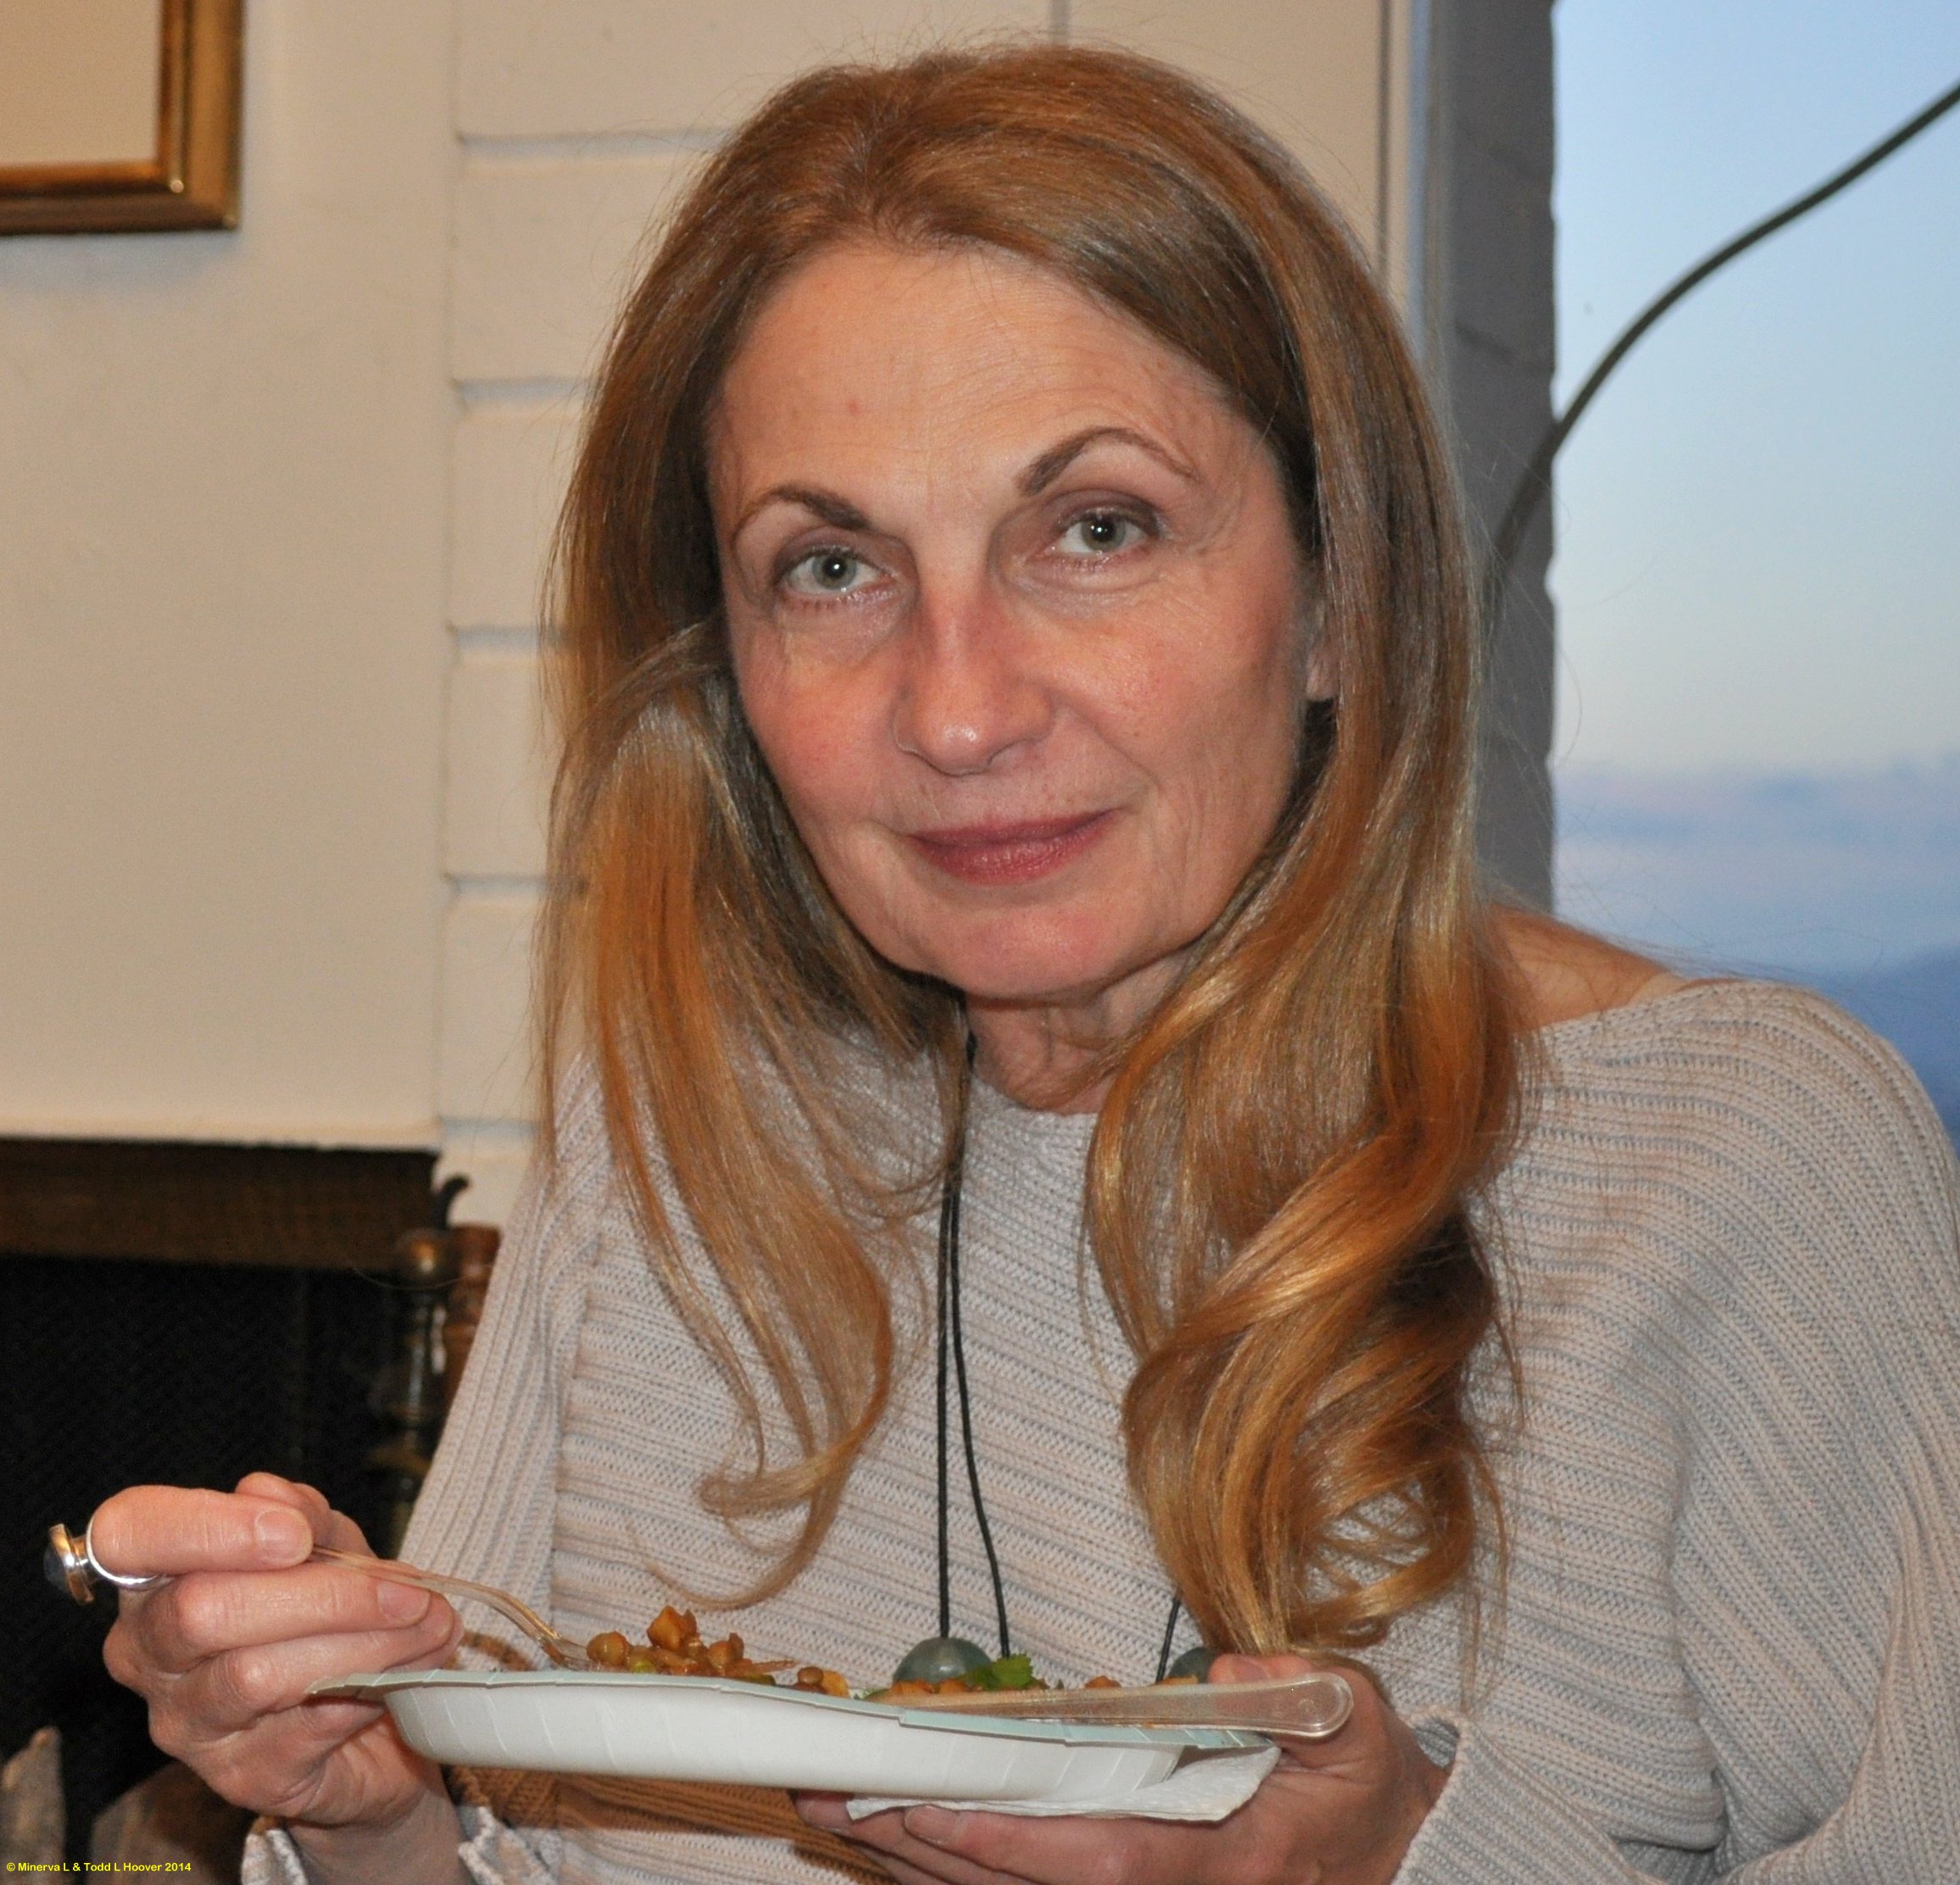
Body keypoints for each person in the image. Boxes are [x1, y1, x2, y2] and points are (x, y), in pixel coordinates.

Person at [92, 43, 1959, 1885]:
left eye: (1095, 530)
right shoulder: (694, 1130)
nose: (961, 709)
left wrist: (1393, 1868)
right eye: (832, 568)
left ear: (1338, 598)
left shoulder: (1728, 1160)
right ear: (723, 669)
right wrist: (374, 1814)